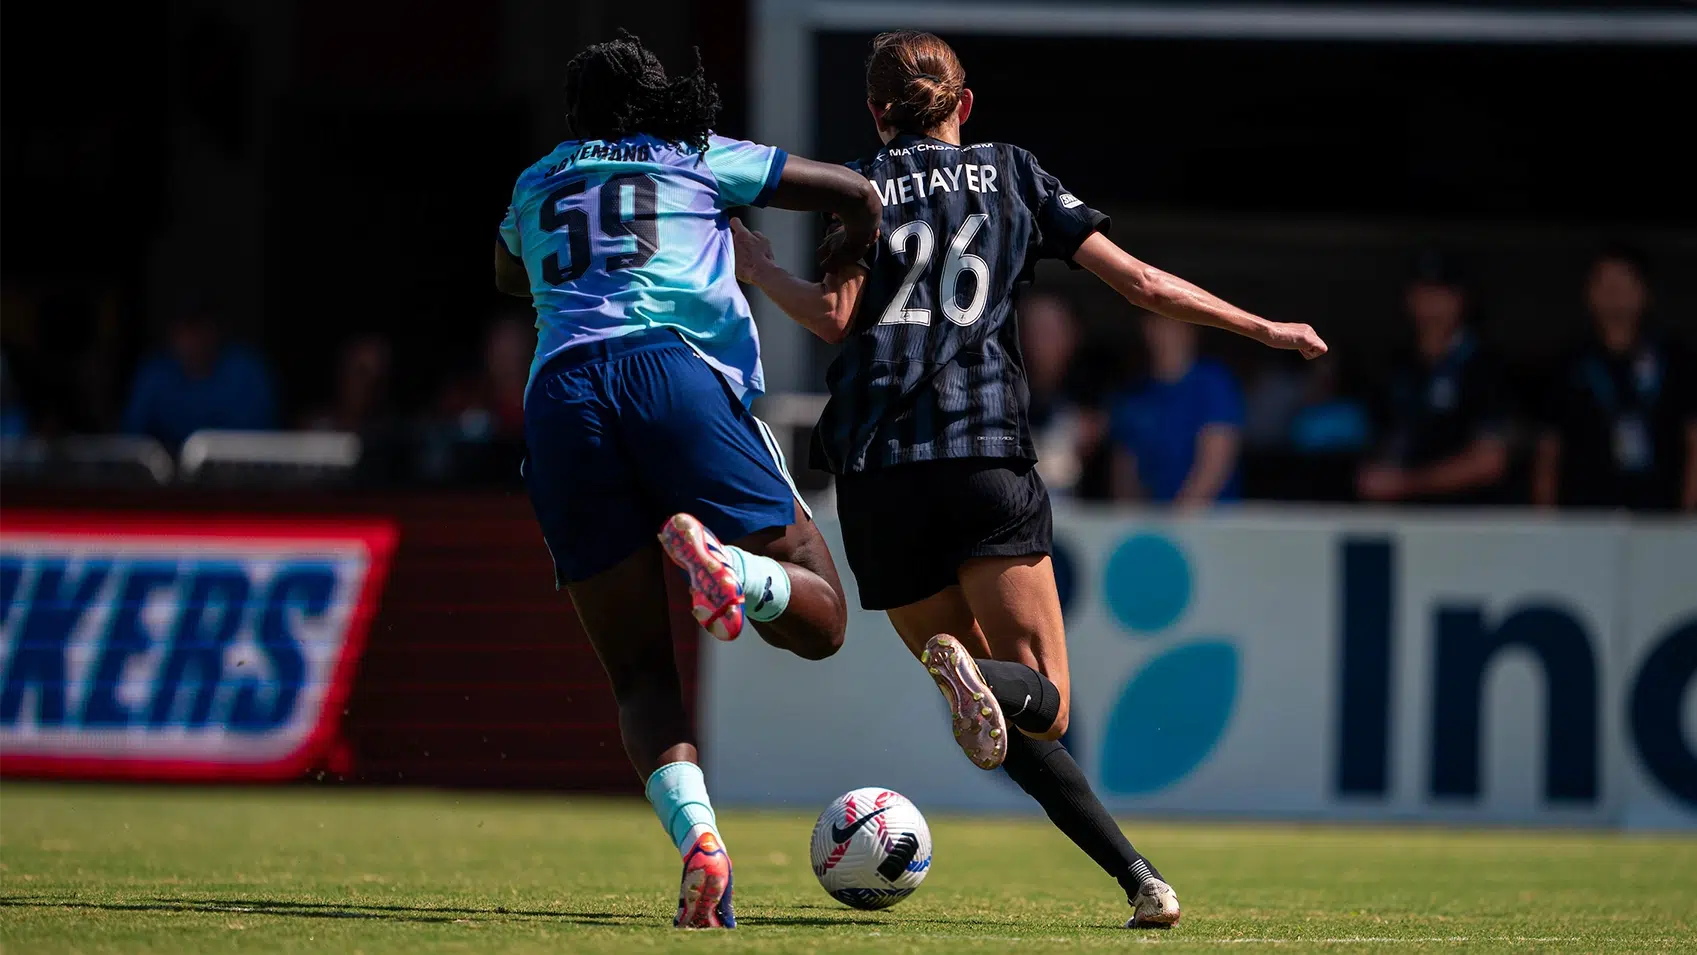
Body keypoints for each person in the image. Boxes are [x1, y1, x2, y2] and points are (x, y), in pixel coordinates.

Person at [732, 30, 1325, 929]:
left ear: (875, 111)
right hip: (981, 458)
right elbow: (1141, 284)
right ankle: (994, 692)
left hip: (878, 476)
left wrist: (758, 264)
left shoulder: (859, 188)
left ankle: (1138, 877)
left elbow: (835, 320)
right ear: (964, 105)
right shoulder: (1012, 171)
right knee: (1038, 701)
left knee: (986, 711)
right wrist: (1261, 329)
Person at [491, 32, 879, 930]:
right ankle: (732, 571)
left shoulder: (535, 178)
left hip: (561, 398)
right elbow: (852, 192)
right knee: (819, 614)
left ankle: (700, 843)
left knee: (638, 672)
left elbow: (510, 272)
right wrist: (843, 268)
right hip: (673, 374)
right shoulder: (692, 154)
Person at [1533, 246, 1697, 511]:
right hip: (1586, 516)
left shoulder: (1676, 358)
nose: (1614, 293)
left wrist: (1688, 515)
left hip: (1661, 514)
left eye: (1625, 282)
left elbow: (1693, 439)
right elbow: (1549, 448)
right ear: (1589, 294)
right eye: (1605, 283)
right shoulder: (1568, 363)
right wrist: (1546, 519)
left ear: (1645, 292)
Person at [1357, 252, 1511, 505]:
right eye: (1423, 292)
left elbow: (1490, 462)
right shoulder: (1398, 367)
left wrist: (1405, 483)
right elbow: (1381, 442)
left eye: (1441, 293)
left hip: (1466, 519)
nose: (1431, 304)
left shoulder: (1484, 366)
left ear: (1461, 299)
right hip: (1401, 522)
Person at [1107, 314, 1246, 508]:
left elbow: (1216, 461)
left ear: (1192, 330)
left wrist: (1178, 520)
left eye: (1174, 324)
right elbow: (1125, 471)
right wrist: (1132, 521)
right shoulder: (1135, 395)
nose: (1164, 334)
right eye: (1156, 323)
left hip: (1209, 522)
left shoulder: (1214, 383)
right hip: (1150, 526)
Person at [121, 306, 277, 451]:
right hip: (166, 476)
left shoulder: (245, 371)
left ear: (216, 330)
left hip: (237, 475)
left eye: (200, 328)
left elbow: (262, 443)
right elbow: (131, 441)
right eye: (185, 330)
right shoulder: (154, 373)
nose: (193, 340)